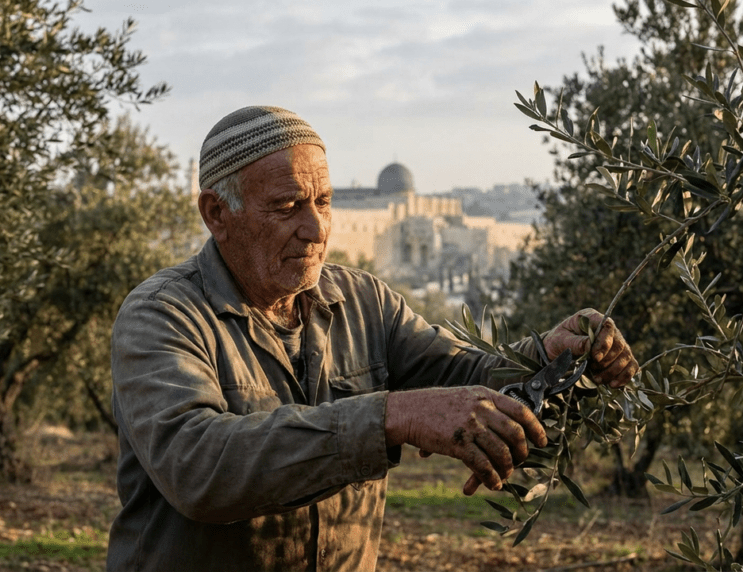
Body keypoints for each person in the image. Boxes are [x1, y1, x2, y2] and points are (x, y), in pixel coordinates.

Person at [107, 105, 639, 571]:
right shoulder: (163, 316)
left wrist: (547, 354)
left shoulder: (364, 302)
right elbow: (198, 466)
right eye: (288, 207)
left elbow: (463, 376)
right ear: (217, 214)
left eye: (324, 201)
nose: (316, 229)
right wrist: (392, 415)